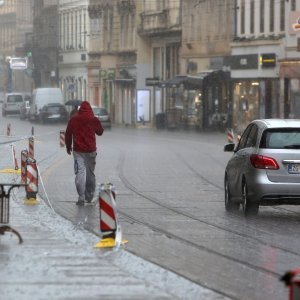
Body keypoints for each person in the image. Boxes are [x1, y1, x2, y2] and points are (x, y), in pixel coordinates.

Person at [65, 101, 104, 205]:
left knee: (80, 173)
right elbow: (100, 132)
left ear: (80, 109)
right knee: (90, 174)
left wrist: (68, 147)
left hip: (78, 151)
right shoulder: (93, 119)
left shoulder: (74, 120)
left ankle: (81, 197)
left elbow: (68, 134)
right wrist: (97, 122)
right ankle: (89, 196)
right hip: (91, 151)